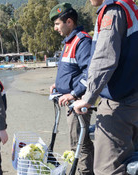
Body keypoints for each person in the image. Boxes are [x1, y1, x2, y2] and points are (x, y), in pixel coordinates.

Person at [73, 0, 138, 174]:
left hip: (118, 103)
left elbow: (104, 59)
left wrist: (88, 98)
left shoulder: (113, 11)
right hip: (133, 99)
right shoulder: (131, 6)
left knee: (107, 169)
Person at [49, 3, 94, 174]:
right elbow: (70, 71)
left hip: (77, 102)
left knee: (79, 144)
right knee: (78, 142)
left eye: (57, 24)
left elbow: (89, 74)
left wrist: (73, 93)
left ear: (69, 22)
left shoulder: (82, 41)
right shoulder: (69, 42)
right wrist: (58, 85)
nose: (55, 28)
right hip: (68, 100)